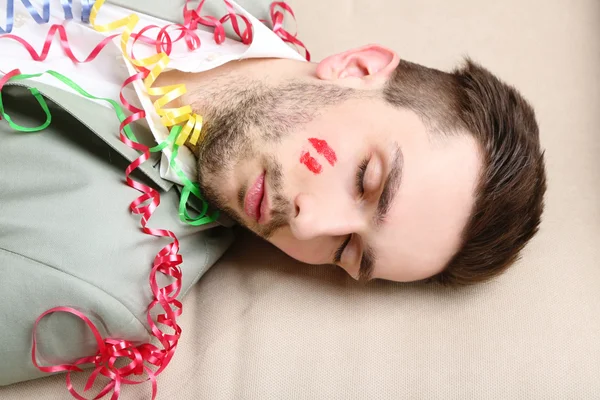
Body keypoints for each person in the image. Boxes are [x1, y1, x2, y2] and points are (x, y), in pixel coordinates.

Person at [156, 47, 547, 285]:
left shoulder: (123, 274)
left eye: (346, 250)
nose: (306, 225)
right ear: (358, 69)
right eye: (365, 179)